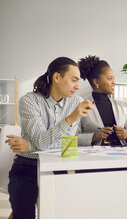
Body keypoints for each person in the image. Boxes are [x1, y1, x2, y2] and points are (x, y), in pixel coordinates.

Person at [5, 57, 93, 219]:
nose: (78, 86)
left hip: (57, 165)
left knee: (63, 212)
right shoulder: (29, 101)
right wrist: (70, 119)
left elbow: (67, 147)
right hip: (27, 167)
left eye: (78, 81)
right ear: (57, 77)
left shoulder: (76, 102)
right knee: (24, 214)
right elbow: (42, 141)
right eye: (74, 80)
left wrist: (29, 146)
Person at [78, 55, 127, 146]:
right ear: (96, 82)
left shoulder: (122, 106)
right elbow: (72, 137)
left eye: (113, 78)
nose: (114, 82)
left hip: (120, 156)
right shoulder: (81, 106)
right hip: (94, 158)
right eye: (109, 79)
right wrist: (95, 137)